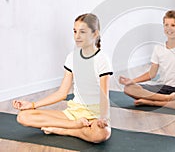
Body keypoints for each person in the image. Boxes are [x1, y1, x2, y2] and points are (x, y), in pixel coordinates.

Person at [12, 13, 113, 143]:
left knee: (102, 134)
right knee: (23, 116)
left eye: (82, 32)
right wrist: (32, 104)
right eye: (75, 31)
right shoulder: (72, 57)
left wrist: (103, 118)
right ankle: (74, 126)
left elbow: (104, 95)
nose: (77, 36)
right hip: (74, 113)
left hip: (94, 116)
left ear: (95, 34)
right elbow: (62, 93)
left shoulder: (102, 59)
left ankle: (63, 130)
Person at [119, 10, 175, 110]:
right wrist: (132, 81)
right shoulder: (158, 48)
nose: (169, 28)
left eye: (173, 25)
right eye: (166, 25)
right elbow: (152, 74)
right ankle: (166, 99)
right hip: (160, 88)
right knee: (128, 88)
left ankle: (153, 102)